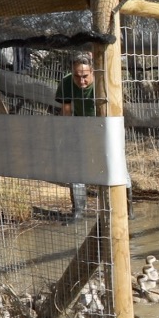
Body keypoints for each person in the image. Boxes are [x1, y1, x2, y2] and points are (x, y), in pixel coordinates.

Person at [55, 53, 133, 220]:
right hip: (80, 127)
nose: (81, 81)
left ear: (93, 72)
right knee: (76, 168)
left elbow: (118, 108)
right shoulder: (67, 82)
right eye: (77, 76)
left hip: (107, 127)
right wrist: (67, 134)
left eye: (85, 76)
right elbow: (66, 110)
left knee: (117, 166)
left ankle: (127, 210)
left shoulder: (104, 82)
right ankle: (78, 211)